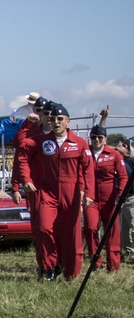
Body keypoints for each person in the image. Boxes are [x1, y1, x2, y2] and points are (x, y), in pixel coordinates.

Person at [32, 104, 94, 281]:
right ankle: (51, 265)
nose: (56, 122)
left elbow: (88, 169)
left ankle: (71, 273)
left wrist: (88, 193)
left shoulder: (80, 143)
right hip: (48, 192)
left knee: (72, 234)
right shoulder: (41, 141)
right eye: (53, 119)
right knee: (43, 228)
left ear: (68, 122)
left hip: (71, 192)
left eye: (60, 119)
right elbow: (23, 153)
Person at [12, 96, 55, 278]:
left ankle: (57, 262)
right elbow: (19, 156)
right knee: (39, 229)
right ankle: (45, 265)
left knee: (57, 229)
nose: (42, 116)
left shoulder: (58, 133)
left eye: (45, 113)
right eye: (38, 111)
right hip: (35, 188)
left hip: (57, 187)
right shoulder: (30, 131)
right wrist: (15, 187)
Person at [83, 125, 128, 272]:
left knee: (112, 231)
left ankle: (113, 265)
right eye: (94, 137)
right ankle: (95, 262)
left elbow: (123, 176)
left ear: (105, 139)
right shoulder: (86, 153)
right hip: (91, 198)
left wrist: (120, 197)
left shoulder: (114, 154)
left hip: (110, 198)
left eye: (100, 137)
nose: (96, 140)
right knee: (90, 228)